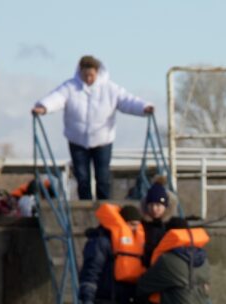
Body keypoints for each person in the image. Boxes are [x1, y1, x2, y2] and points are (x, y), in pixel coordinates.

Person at [32, 56, 154, 201]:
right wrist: (43, 107)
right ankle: (85, 205)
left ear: (97, 72)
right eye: (85, 75)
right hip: (77, 140)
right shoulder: (70, 87)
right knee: (82, 178)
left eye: (91, 75)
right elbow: (56, 98)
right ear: (80, 72)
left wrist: (144, 108)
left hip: (102, 140)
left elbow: (127, 100)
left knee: (102, 177)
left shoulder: (110, 89)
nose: (88, 78)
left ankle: (104, 206)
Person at [128, 178, 170, 304]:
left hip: (163, 280)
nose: (155, 209)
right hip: (144, 279)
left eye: (159, 205)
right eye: (152, 205)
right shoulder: (140, 226)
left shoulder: (168, 228)